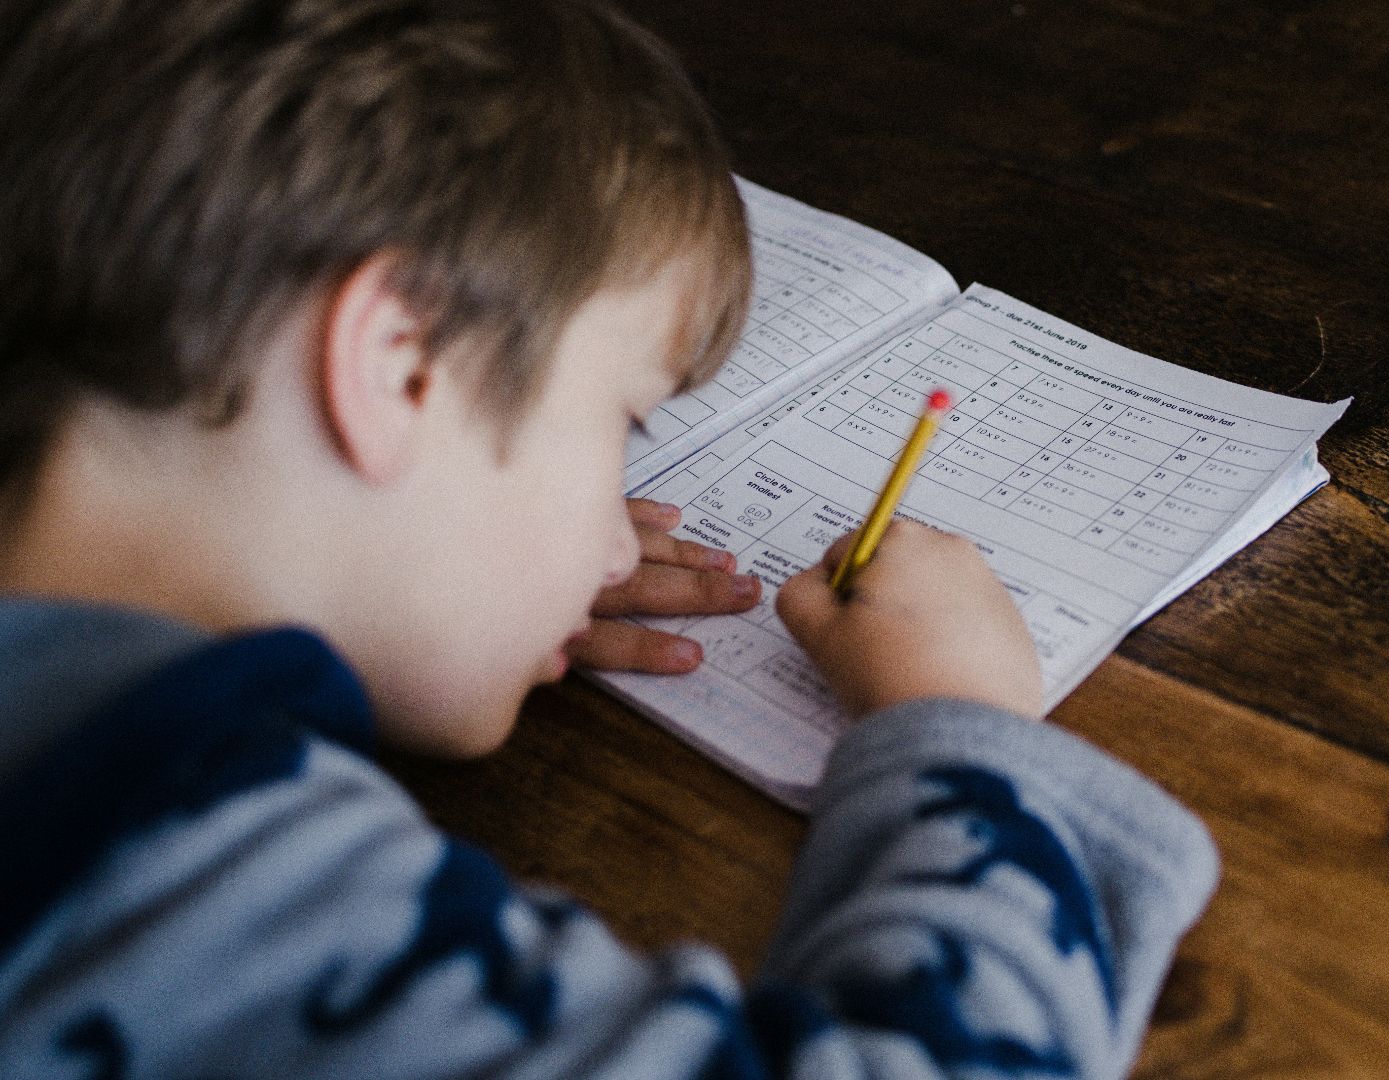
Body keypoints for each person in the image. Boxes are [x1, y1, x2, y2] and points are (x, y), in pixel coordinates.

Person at [0, 1, 1219, 1077]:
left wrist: (435, 583)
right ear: (402, 366)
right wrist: (965, 732)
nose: (614, 546)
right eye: (622, 422)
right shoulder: (184, 879)